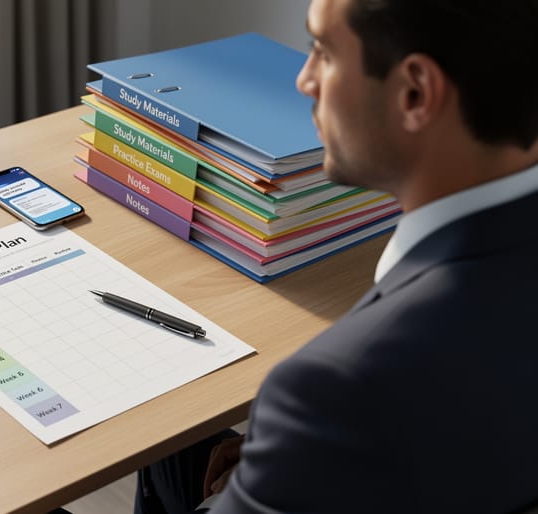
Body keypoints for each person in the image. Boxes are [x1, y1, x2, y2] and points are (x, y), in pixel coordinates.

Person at [135, 0, 538, 512]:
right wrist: (293, 465)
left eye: (323, 52)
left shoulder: (333, 388)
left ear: (415, 93)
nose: (305, 80)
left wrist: (299, 449)